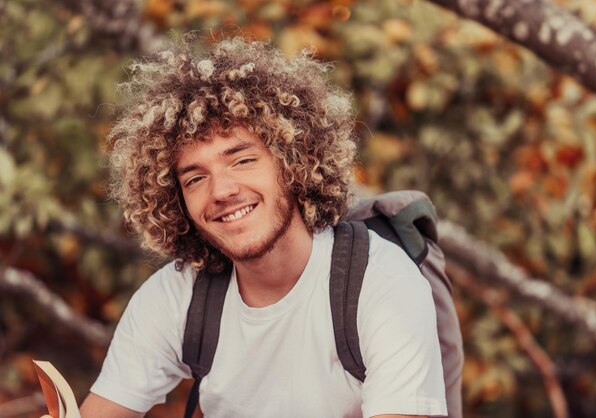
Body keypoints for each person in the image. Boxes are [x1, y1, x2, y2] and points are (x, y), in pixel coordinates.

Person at [56, 36, 448, 417]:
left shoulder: (381, 282)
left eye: (242, 160)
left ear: (293, 161)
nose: (221, 191)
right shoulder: (178, 298)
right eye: (195, 179)